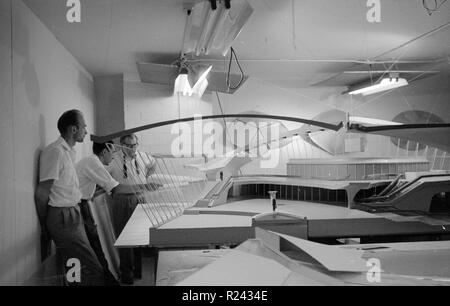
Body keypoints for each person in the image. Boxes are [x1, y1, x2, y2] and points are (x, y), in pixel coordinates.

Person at [34, 109, 104, 286]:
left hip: (73, 212)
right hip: (62, 216)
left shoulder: (68, 152)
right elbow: (42, 192)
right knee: (92, 267)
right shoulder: (55, 151)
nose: (86, 131)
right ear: (73, 129)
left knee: (75, 265)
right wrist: (45, 224)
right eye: (84, 127)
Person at [108, 134, 156, 285]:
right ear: (121, 145)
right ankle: (127, 274)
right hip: (122, 199)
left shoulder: (143, 156)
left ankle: (138, 271)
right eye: (129, 146)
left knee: (139, 236)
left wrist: (147, 176)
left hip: (140, 198)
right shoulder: (113, 159)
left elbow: (153, 163)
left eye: (135, 145)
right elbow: (106, 178)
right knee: (124, 237)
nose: (133, 148)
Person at [75, 141, 120, 286]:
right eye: (112, 152)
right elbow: (116, 189)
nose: (113, 157)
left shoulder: (91, 162)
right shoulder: (94, 163)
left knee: (94, 246)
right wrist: (143, 187)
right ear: (104, 151)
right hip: (78, 207)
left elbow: (92, 189)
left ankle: (108, 280)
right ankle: (108, 282)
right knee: (94, 248)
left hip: (82, 204)